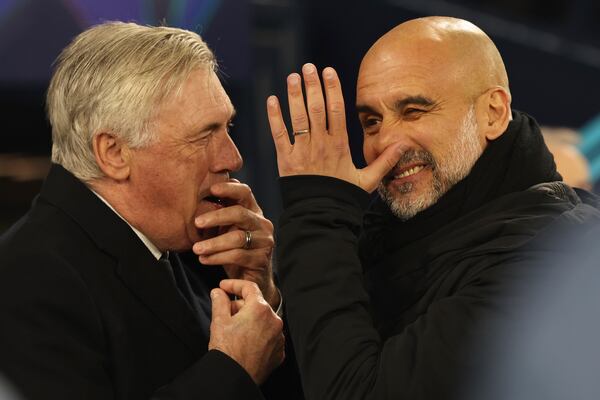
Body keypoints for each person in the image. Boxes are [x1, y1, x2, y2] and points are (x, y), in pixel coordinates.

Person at [265, 16, 600, 399]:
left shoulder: (551, 268)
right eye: (371, 121)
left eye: (413, 111)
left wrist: (317, 216)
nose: (385, 143)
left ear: (493, 112)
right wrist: (270, 298)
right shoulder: (374, 237)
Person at [0, 22, 301, 400]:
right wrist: (232, 371)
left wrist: (260, 293)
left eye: (228, 127)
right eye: (204, 135)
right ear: (114, 153)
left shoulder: (200, 249)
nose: (232, 157)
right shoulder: (26, 281)